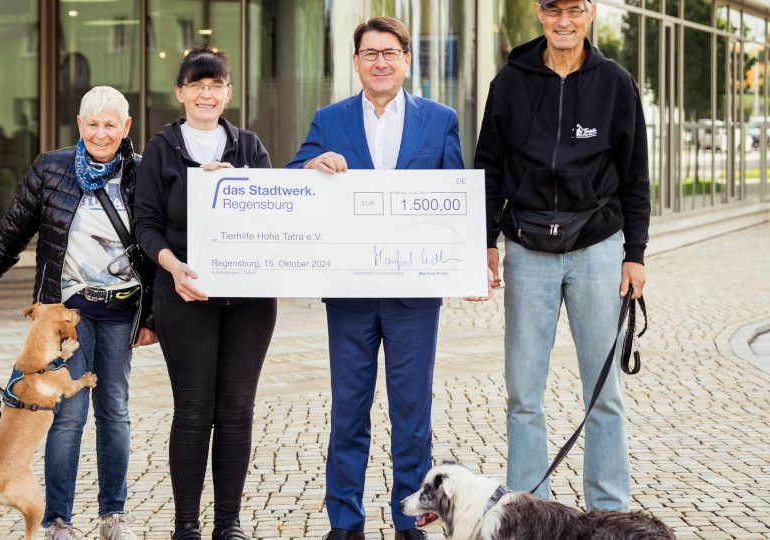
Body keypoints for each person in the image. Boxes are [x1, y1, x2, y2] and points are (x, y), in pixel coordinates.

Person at [287, 16, 483, 540]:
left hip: (413, 298)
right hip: (349, 295)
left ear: (406, 61)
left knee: (412, 420)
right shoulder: (330, 119)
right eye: (370, 53)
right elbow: (291, 177)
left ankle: (410, 524)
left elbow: (456, 199)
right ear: (355, 62)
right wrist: (310, 167)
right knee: (348, 416)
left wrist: (466, 261)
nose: (379, 62)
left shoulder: (438, 120)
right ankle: (344, 526)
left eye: (390, 53)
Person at [0, 86, 158, 540]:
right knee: (66, 413)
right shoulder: (50, 169)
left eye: (111, 124)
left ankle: (113, 515)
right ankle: (57, 520)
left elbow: (158, 251)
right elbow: (10, 236)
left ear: (126, 128)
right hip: (67, 316)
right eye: (92, 123)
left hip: (122, 312)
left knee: (115, 410)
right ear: (80, 126)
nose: (101, 133)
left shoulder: (144, 174)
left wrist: (153, 319)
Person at [474, 0, 650, 513]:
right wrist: (487, 240)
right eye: (554, 10)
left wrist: (634, 254)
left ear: (590, 12)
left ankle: (609, 511)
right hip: (527, 249)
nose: (564, 20)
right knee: (523, 394)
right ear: (539, 13)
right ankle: (530, 510)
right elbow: (488, 165)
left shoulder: (616, 82)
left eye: (575, 9)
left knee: (605, 391)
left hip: (598, 247)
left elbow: (636, 174)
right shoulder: (509, 82)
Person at [132, 46, 277, 540]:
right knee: (193, 412)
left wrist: (240, 184)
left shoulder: (249, 147)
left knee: (236, 411)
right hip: (185, 295)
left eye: (215, 84)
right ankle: (187, 526)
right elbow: (146, 224)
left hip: (249, 304)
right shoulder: (160, 148)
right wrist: (172, 268)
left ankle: (228, 524)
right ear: (180, 93)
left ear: (228, 93)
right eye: (196, 84)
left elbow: (275, 214)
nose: (206, 93)